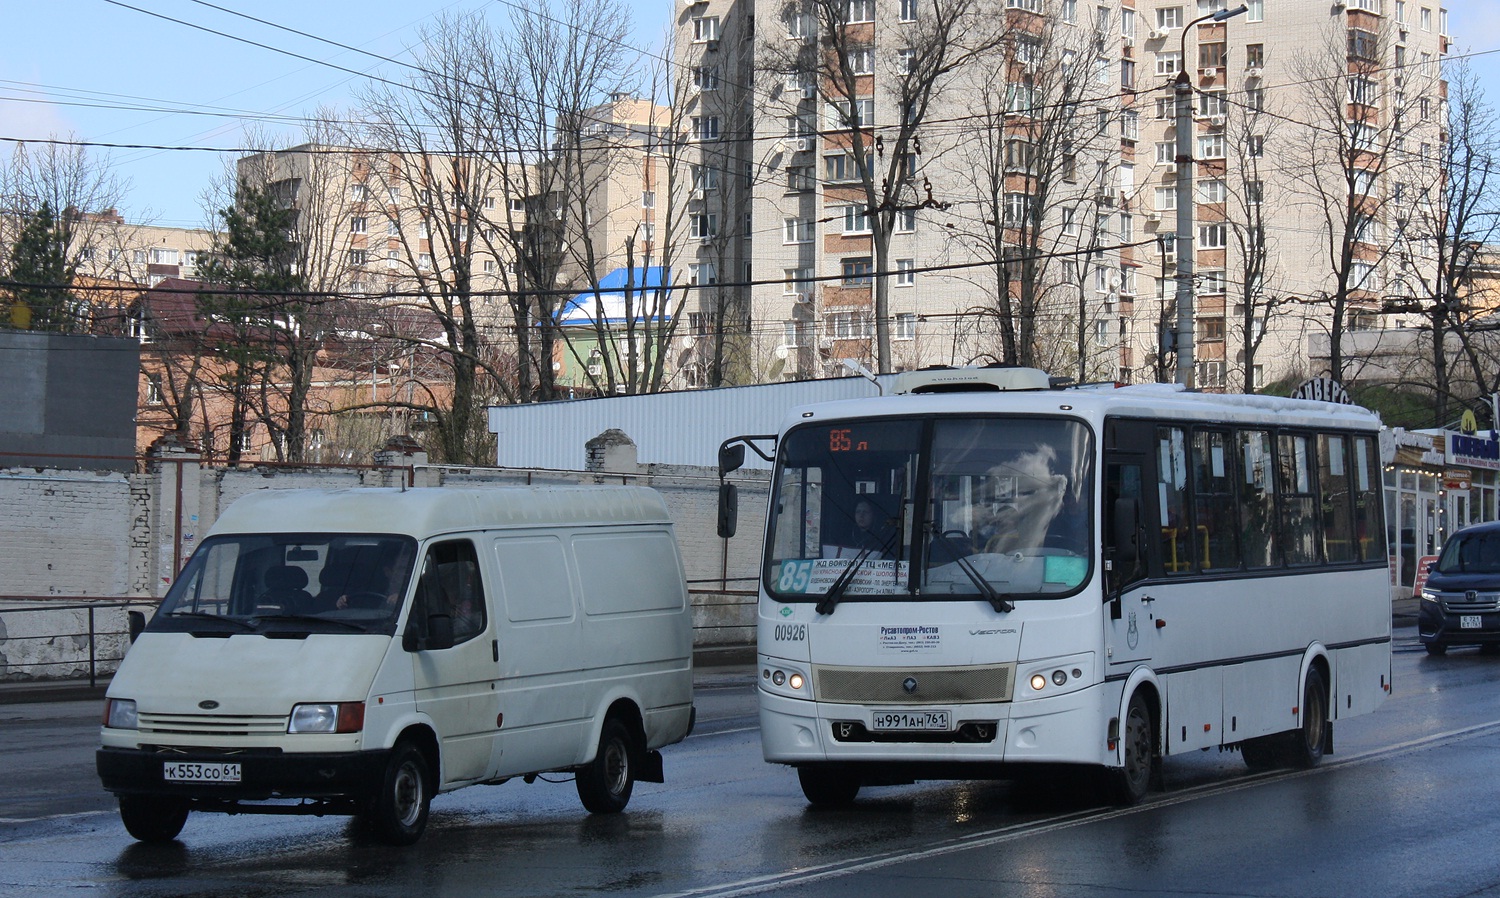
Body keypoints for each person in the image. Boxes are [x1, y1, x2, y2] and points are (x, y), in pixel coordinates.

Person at [975, 447, 1068, 554]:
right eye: (1004, 518)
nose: (1005, 521)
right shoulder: (992, 539)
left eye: (1026, 493)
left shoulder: (1034, 532)